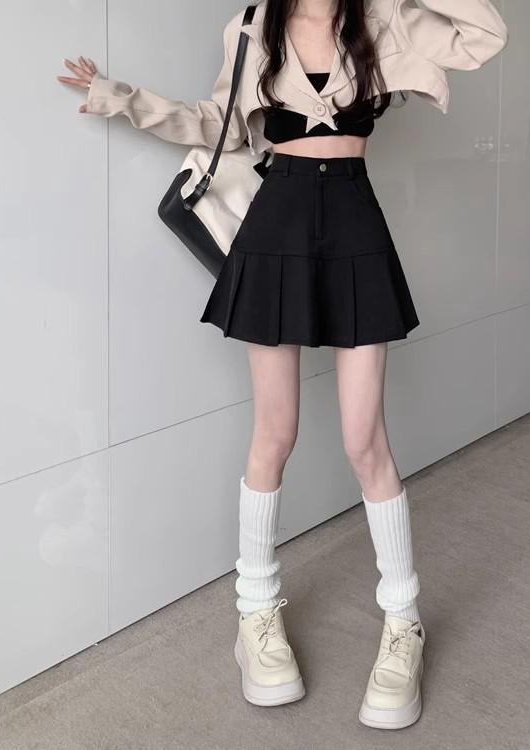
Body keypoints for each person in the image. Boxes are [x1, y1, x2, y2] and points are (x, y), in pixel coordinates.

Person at [58, 0, 507, 730]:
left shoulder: (383, 20)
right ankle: (255, 614)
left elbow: (484, 33)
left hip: (355, 223)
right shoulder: (250, 28)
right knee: (275, 432)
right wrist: (120, 97)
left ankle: (403, 623)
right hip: (277, 226)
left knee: (365, 441)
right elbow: (217, 125)